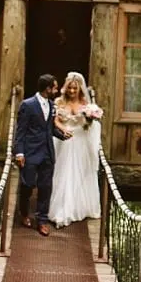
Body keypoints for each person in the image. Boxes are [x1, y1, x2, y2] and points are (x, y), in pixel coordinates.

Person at [13, 73, 69, 236]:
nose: (57, 90)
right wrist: (20, 153)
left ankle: (42, 220)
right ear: (47, 88)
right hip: (30, 152)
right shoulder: (27, 105)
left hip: (47, 152)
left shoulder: (52, 105)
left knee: (46, 187)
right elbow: (21, 131)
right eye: (55, 87)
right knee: (27, 185)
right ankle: (24, 213)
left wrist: (62, 135)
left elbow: (49, 129)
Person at [48, 71, 101, 228]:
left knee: (80, 173)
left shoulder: (86, 104)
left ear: (79, 89)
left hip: (80, 141)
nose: (71, 91)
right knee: (63, 172)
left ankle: (79, 206)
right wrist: (63, 128)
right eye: (69, 88)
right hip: (64, 140)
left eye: (74, 89)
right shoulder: (59, 102)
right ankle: (62, 209)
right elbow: (55, 120)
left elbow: (88, 125)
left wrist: (90, 120)